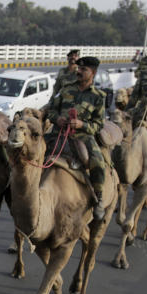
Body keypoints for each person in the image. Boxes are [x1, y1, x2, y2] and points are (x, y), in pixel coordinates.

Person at [44, 56, 108, 220]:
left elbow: (98, 124)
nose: (79, 71)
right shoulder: (66, 89)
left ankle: (98, 198)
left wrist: (82, 125)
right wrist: (56, 118)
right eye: (78, 68)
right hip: (58, 132)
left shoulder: (98, 96)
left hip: (81, 136)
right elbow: (51, 109)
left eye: (83, 69)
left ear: (92, 73)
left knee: (98, 162)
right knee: (32, 150)